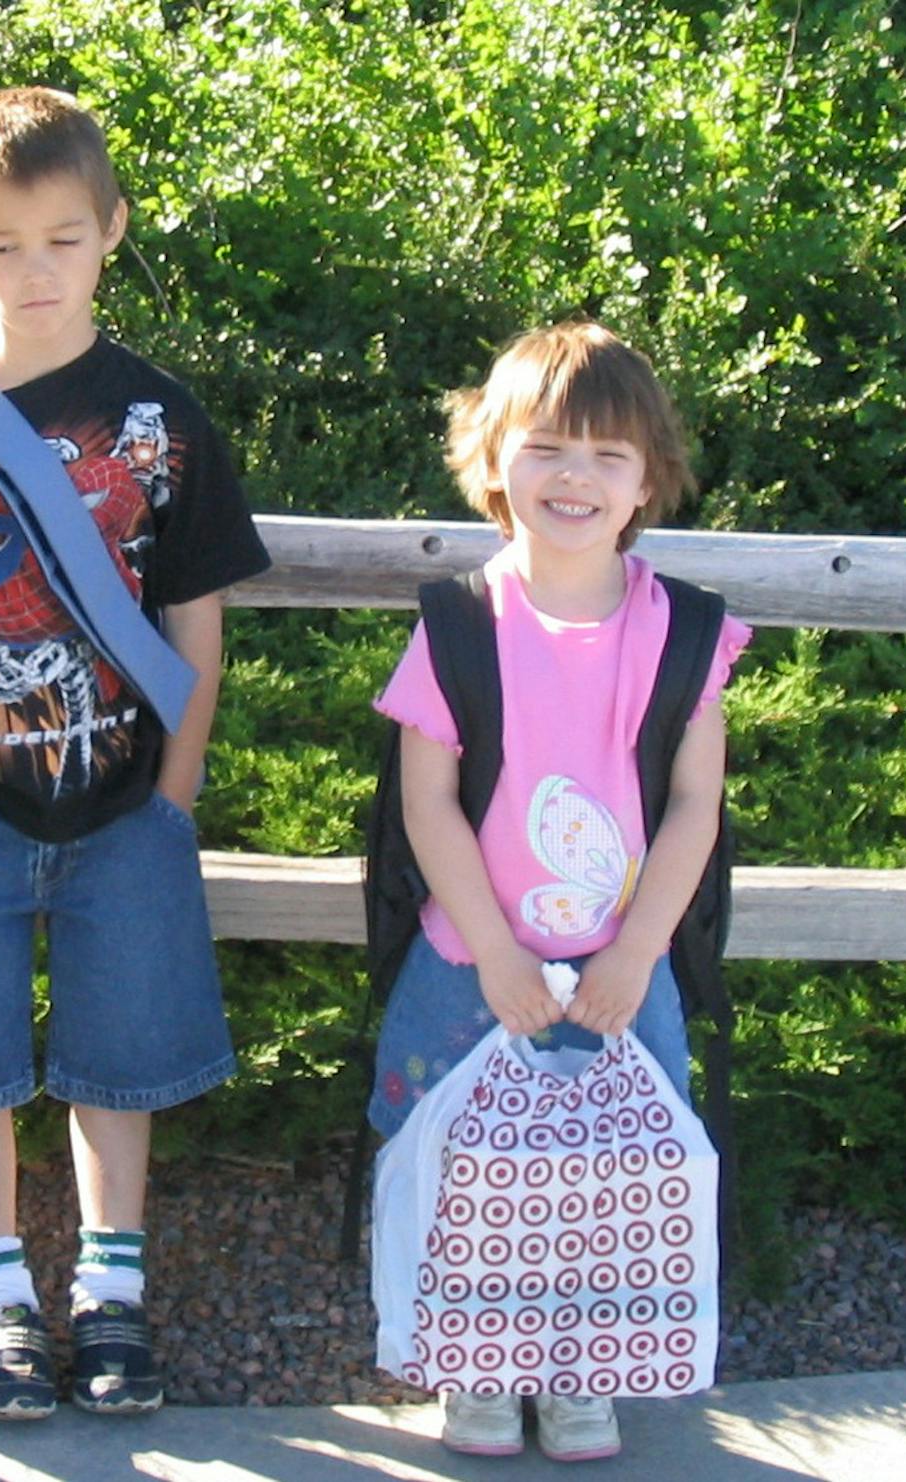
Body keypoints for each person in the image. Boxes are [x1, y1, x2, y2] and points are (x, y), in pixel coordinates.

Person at [0, 86, 271, 1420]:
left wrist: (176, 794)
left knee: (119, 1053)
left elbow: (194, 616)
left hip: (125, 801)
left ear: (113, 233)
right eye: (1, 243)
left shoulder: (164, 419)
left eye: (63, 239)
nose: (33, 271)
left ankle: (110, 1292)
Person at [368, 321, 750, 1461]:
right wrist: (491, 948)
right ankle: (473, 1370)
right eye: (544, 448)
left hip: (624, 966)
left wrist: (636, 954)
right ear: (493, 461)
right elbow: (426, 802)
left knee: (608, 1177)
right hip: (464, 961)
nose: (574, 477)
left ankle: (580, 1373)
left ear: (649, 482)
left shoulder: (684, 632)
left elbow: (695, 804)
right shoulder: (456, 626)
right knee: (466, 1171)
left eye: (607, 456)